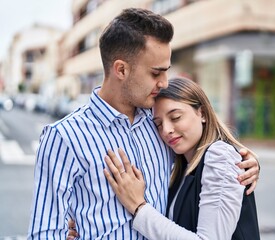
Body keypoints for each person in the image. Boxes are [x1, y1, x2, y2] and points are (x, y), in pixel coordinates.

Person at [28, 8, 260, 239]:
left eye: (166, 71)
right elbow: (45, 232)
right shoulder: (64, 137)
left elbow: (204, 159)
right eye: (155, 73)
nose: (164, 82)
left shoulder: (158, 123)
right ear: (121, 69)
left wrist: (243, 159)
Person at [97, 77, 260, 239]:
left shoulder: (219, 156)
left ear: (202, 113)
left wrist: (139, 207)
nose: (166, 130)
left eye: (175, 117)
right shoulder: (180, 165)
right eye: (158, 124)